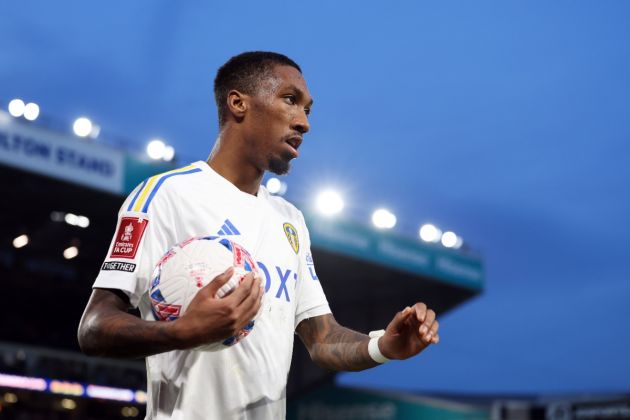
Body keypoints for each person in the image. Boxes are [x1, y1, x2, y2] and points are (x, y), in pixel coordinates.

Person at [77, 51, 440, 420]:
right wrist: (184, 332)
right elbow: (94, 328)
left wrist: (383, 346)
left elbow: (323, 339)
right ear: (238, 103)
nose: (304, 123)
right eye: (290, 100)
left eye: (308, 110)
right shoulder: (165, 196)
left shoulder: (290, 220)